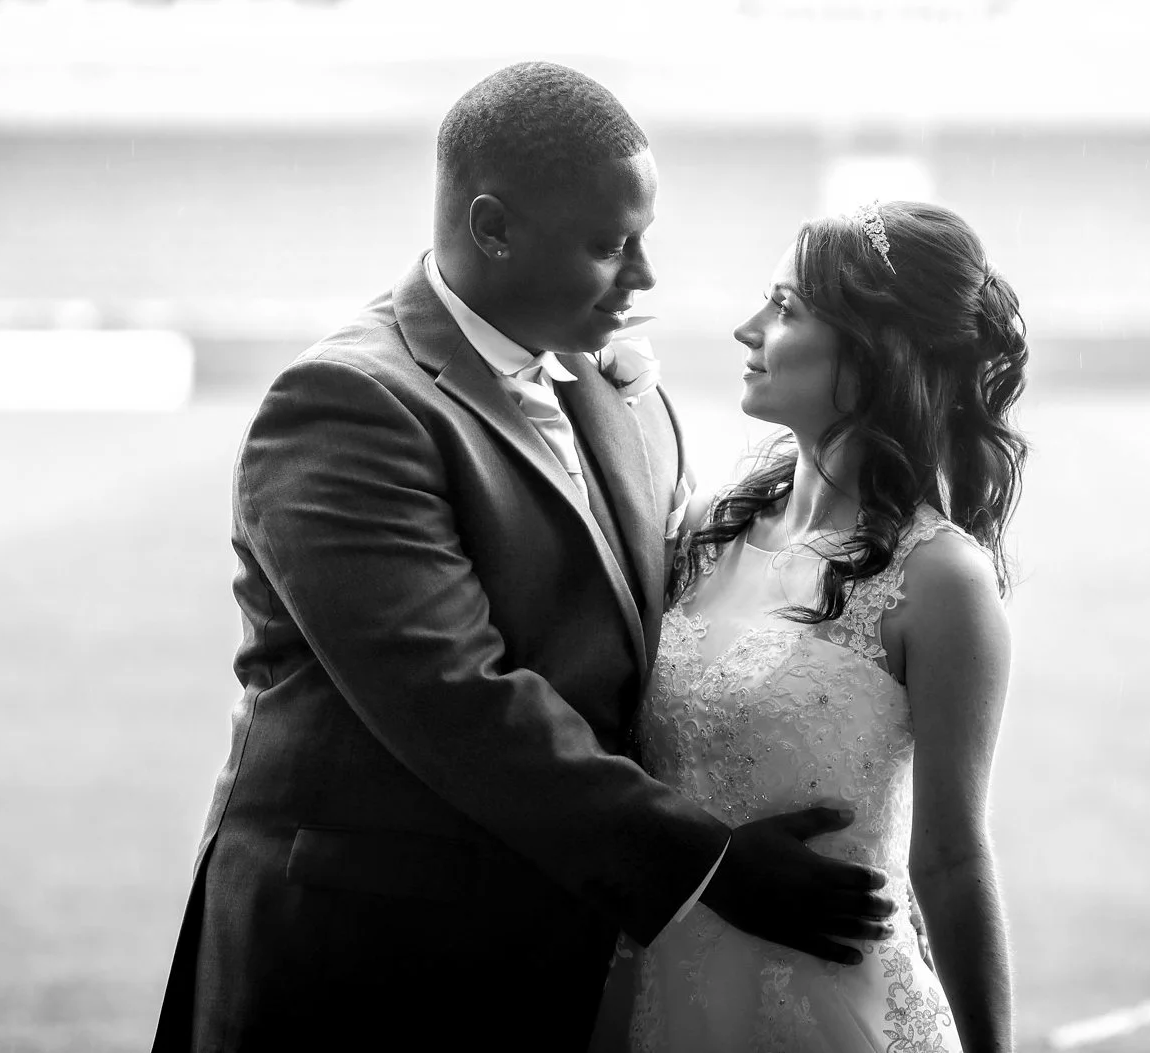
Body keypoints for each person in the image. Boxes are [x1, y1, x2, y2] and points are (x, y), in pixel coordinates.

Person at [150, 62, 896, 1052]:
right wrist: (706, 864)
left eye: (642, 240)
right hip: (364, 969)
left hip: (564, 959)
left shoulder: (615, 387)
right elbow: (453, 696)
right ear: (493, 228)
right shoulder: (345, 406)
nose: (643, 280)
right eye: (607, 246)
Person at [593, 200, 1027, 1052]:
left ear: (874, 357)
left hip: (830, 1013)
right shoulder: (709, 526)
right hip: (661, 1000)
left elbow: (951, 860)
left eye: (786, 309)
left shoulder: (940, 580)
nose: (747, 328)